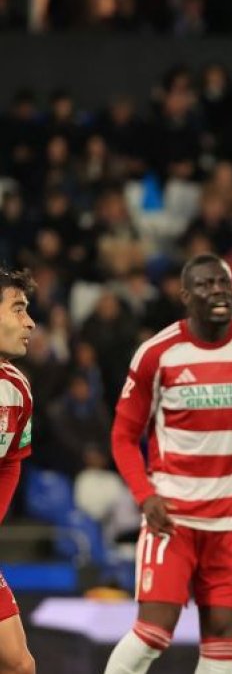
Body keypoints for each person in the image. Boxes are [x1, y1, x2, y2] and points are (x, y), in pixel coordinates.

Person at [105, 254, 232, 674]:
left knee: (222, 641)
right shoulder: (157, 355)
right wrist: (145, 496)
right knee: (153, 633)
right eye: (206, 285)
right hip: (173, 516)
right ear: (185, 296)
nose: (218, 291)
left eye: (224, 283)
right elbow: (122, 436)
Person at [0, 268, 39, 674]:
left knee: (18, 664)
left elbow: (11, 461)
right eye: (18, 309)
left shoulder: (17, 389)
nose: (30, 323)